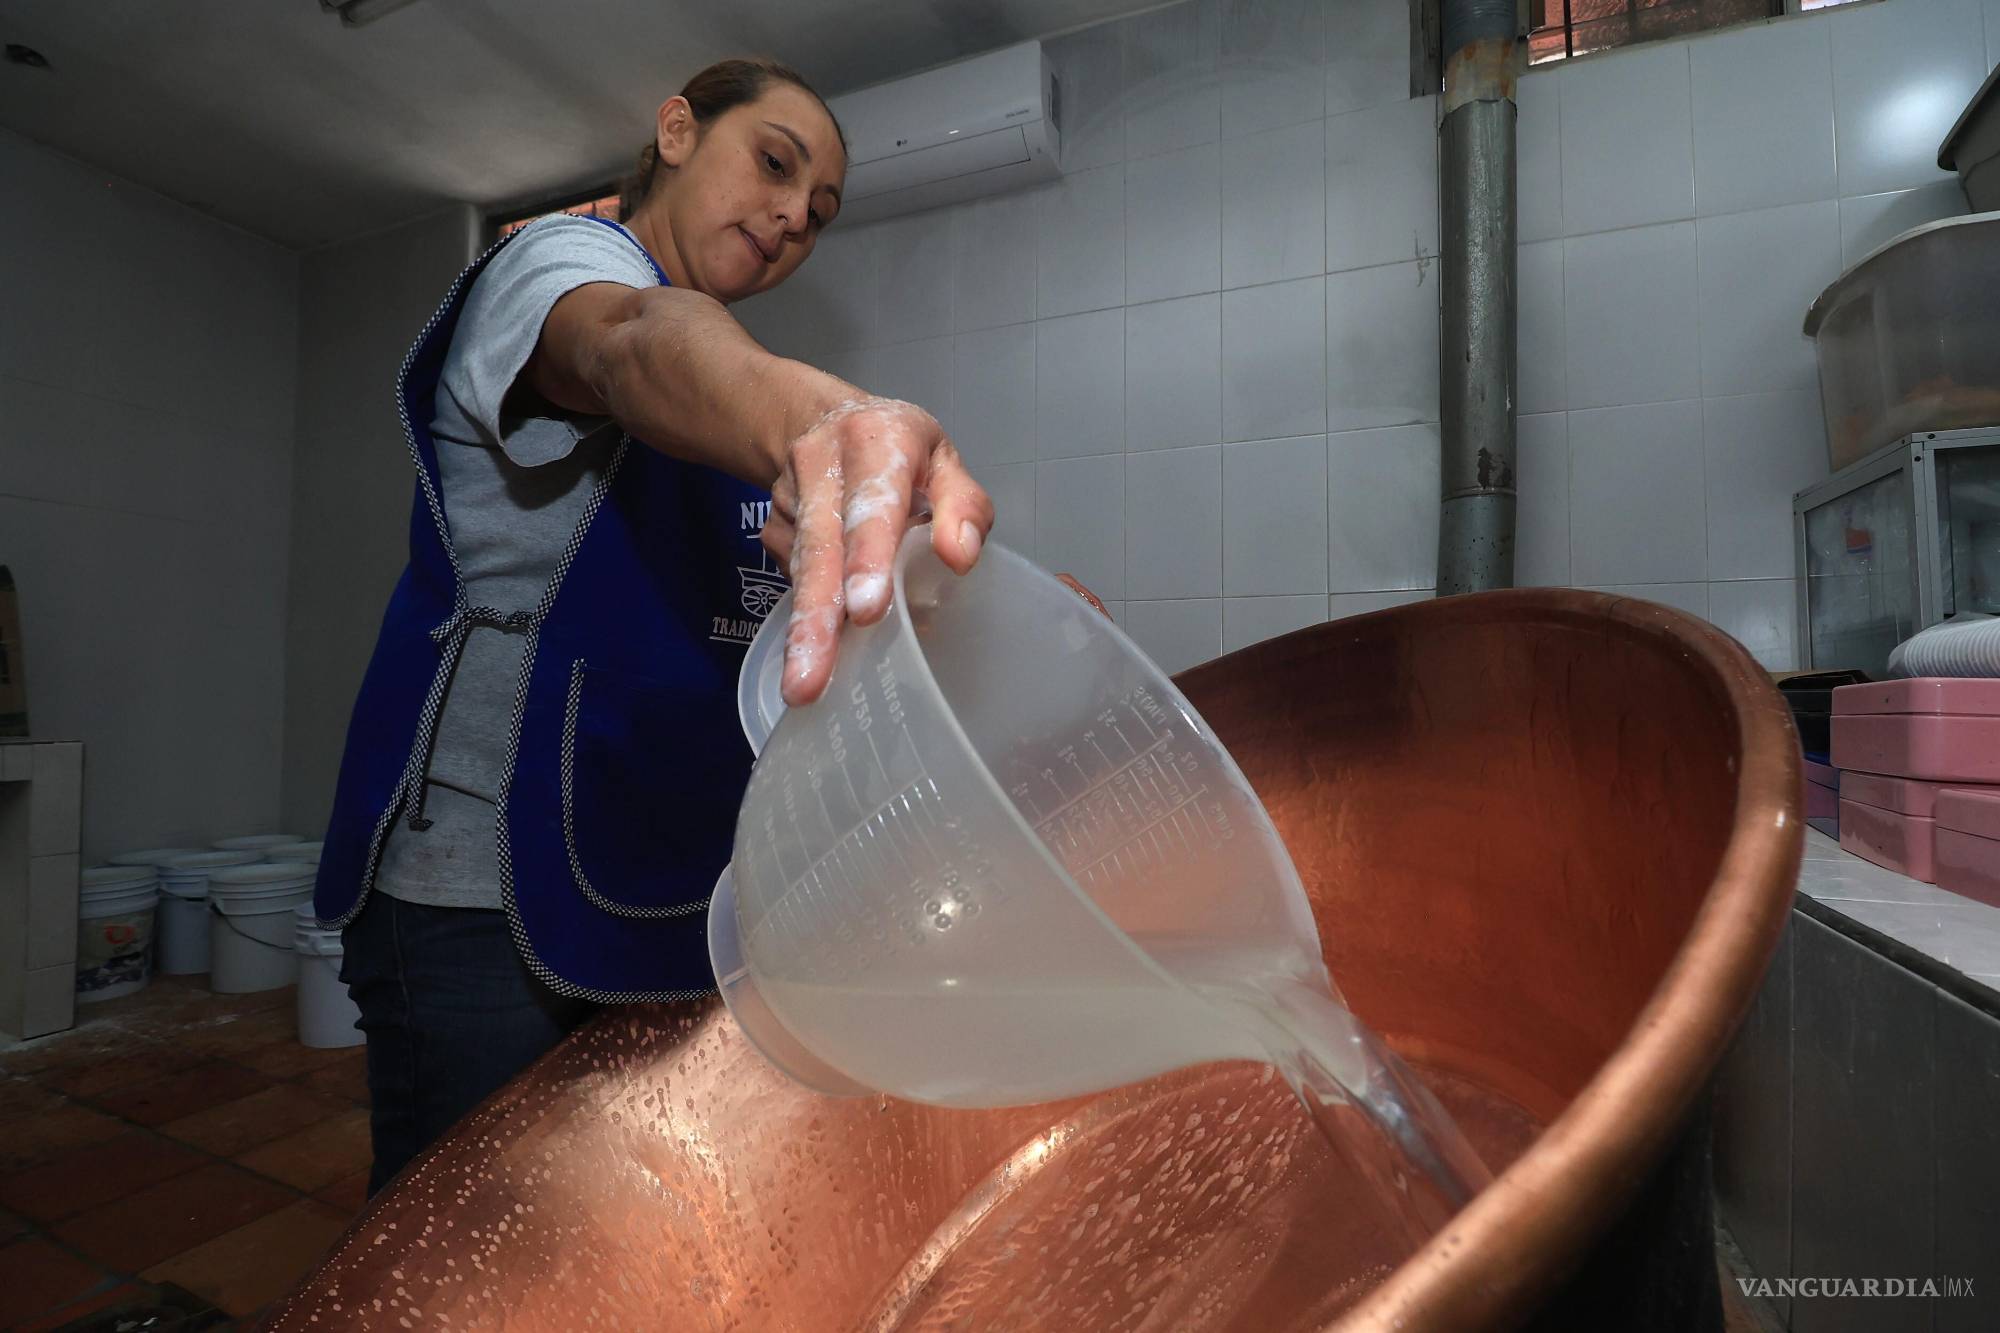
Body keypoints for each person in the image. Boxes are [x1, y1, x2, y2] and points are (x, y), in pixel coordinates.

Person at [312, 58, 993, 1193]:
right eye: (774, 165)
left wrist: (941, 599)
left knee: (615, 1225)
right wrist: (820, 418)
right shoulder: (564, 269)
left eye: (817, 216)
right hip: (484, 886)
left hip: (658, 873)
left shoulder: (735, 387)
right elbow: (632, 341)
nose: (788, 219)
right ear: (676, 129)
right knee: (474, 1251)